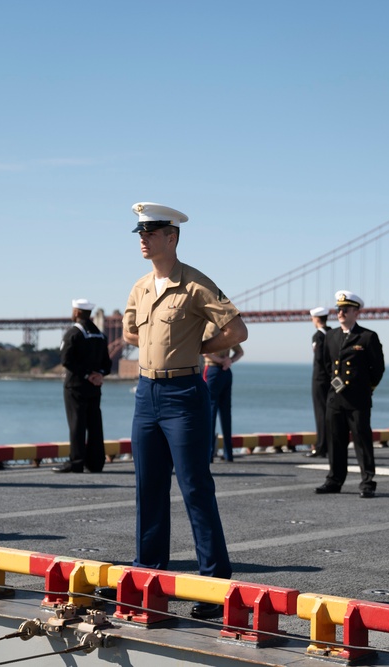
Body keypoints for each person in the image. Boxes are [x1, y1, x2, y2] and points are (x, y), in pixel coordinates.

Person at [122, 201, 248, 619]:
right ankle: (148, 575)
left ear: (171, 237)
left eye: (151, 233)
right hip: (146, 394)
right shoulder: (139, 286)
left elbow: (237, 330)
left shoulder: (196, 284)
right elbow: (129, 329)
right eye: (140, 233)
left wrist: (196, 349)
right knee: (148, 487)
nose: (143, 239)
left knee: (195, 487)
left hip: (184, 395)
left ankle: (214, 584)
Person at [314, 290, 385, 499]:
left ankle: (367, 482)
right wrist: (336, 386)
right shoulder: (331, 337)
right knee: (335, 441)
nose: (341, 312)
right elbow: (327, 366)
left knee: (362, 442)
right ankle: (334, 480)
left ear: (356, 312)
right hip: (335, 399)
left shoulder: (367, 337)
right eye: (339, 309)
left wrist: (366, 388)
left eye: (345, 309)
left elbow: (378, 369)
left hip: (358, 399)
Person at [55, 298, 112, 473]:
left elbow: (66, 360)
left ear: (77, 312)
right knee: (95, 423)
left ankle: (76, 461)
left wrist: (87, 375)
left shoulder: (74, 333)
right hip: (95, 386)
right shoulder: (100, 335)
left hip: (75, 386)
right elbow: (107, 364)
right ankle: (96, 463)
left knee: (76, 423)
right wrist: (98, 375)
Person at [202, 322, 244, 462]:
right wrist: (229, 361)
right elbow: (240, 352)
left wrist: (219, 360)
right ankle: (228, 453)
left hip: (213, 371)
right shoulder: (227, 327)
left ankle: (208, 454)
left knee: (210, 412)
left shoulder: (209, 327)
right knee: (226, 413)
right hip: (227, 372)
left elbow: (204, 351)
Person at [305, 306, 332, 458]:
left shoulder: (318, 337)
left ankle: (321, 447)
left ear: (316, 319)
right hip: (331, 379)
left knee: (320, 413)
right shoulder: (333, 334)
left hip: (320, 379)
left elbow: (319, 359)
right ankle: (329, 445)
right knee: (329, 414)